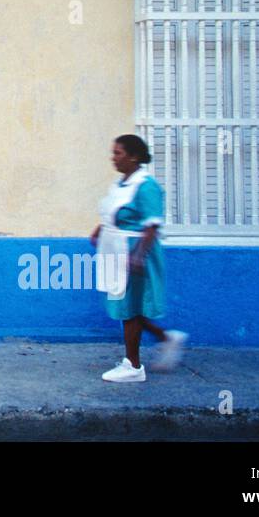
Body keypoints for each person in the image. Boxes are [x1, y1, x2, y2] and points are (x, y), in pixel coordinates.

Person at [89, 134, 188, 382]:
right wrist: (100, 230)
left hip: (133, 251)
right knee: (127, 308)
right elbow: (113, 213)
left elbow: (152, 225)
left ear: (133, 156)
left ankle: (133, 366)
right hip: (117, 249)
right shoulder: (122, 184)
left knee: (130, 309)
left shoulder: (146, 186)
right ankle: (167, 339)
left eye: (118, 153)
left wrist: (138, 256)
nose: (113, 158)